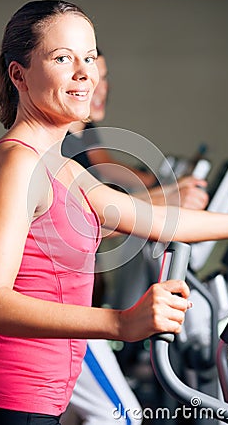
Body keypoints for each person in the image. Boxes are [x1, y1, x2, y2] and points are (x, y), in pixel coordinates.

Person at [0, 0, 228, 425]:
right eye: (62, 58)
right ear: (18, 74)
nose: (85, 73)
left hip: (39, 401)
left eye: (90, 57)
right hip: (10, 402)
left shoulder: (64, 168)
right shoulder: (16, 163)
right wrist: (120, 322)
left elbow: (167, 221)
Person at [61, 49, 209, 425]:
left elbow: (121, 180)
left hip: (85, 305)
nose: (97, 86)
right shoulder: (59, 148)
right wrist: (165, 196)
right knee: (122, 416)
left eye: (102, 76)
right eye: (85, 74)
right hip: (67, 314)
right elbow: (98, 218)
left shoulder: (84, 140)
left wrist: (164, 186)